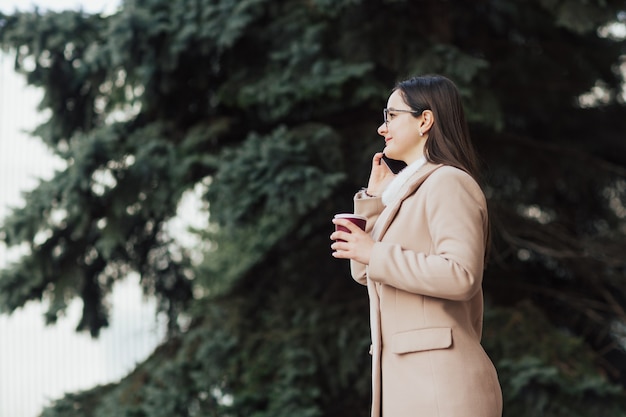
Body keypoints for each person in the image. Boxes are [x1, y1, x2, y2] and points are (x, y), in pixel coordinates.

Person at [330, 74, 502, 417]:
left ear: (425, 120)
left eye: (391, 116)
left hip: (443, 390)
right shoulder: (409, 194)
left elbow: (462, 274)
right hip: (411, 389)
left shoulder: (449, 182)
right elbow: (364, 272)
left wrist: (374, 251)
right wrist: (375, 203)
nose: (382, 128)